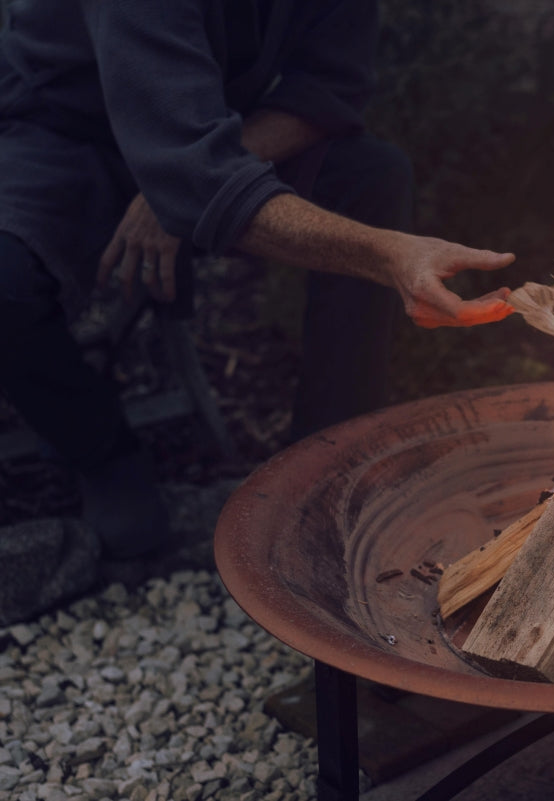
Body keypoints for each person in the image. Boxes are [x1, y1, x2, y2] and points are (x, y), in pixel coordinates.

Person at [0, 0, 514, 572]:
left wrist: (186, 174)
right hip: (63, 132)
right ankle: (99, 448)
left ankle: (332, 467)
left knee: (372, 175)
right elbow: (193, 179)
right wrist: (387, 255)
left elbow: (328, 91)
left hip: (201, 123)